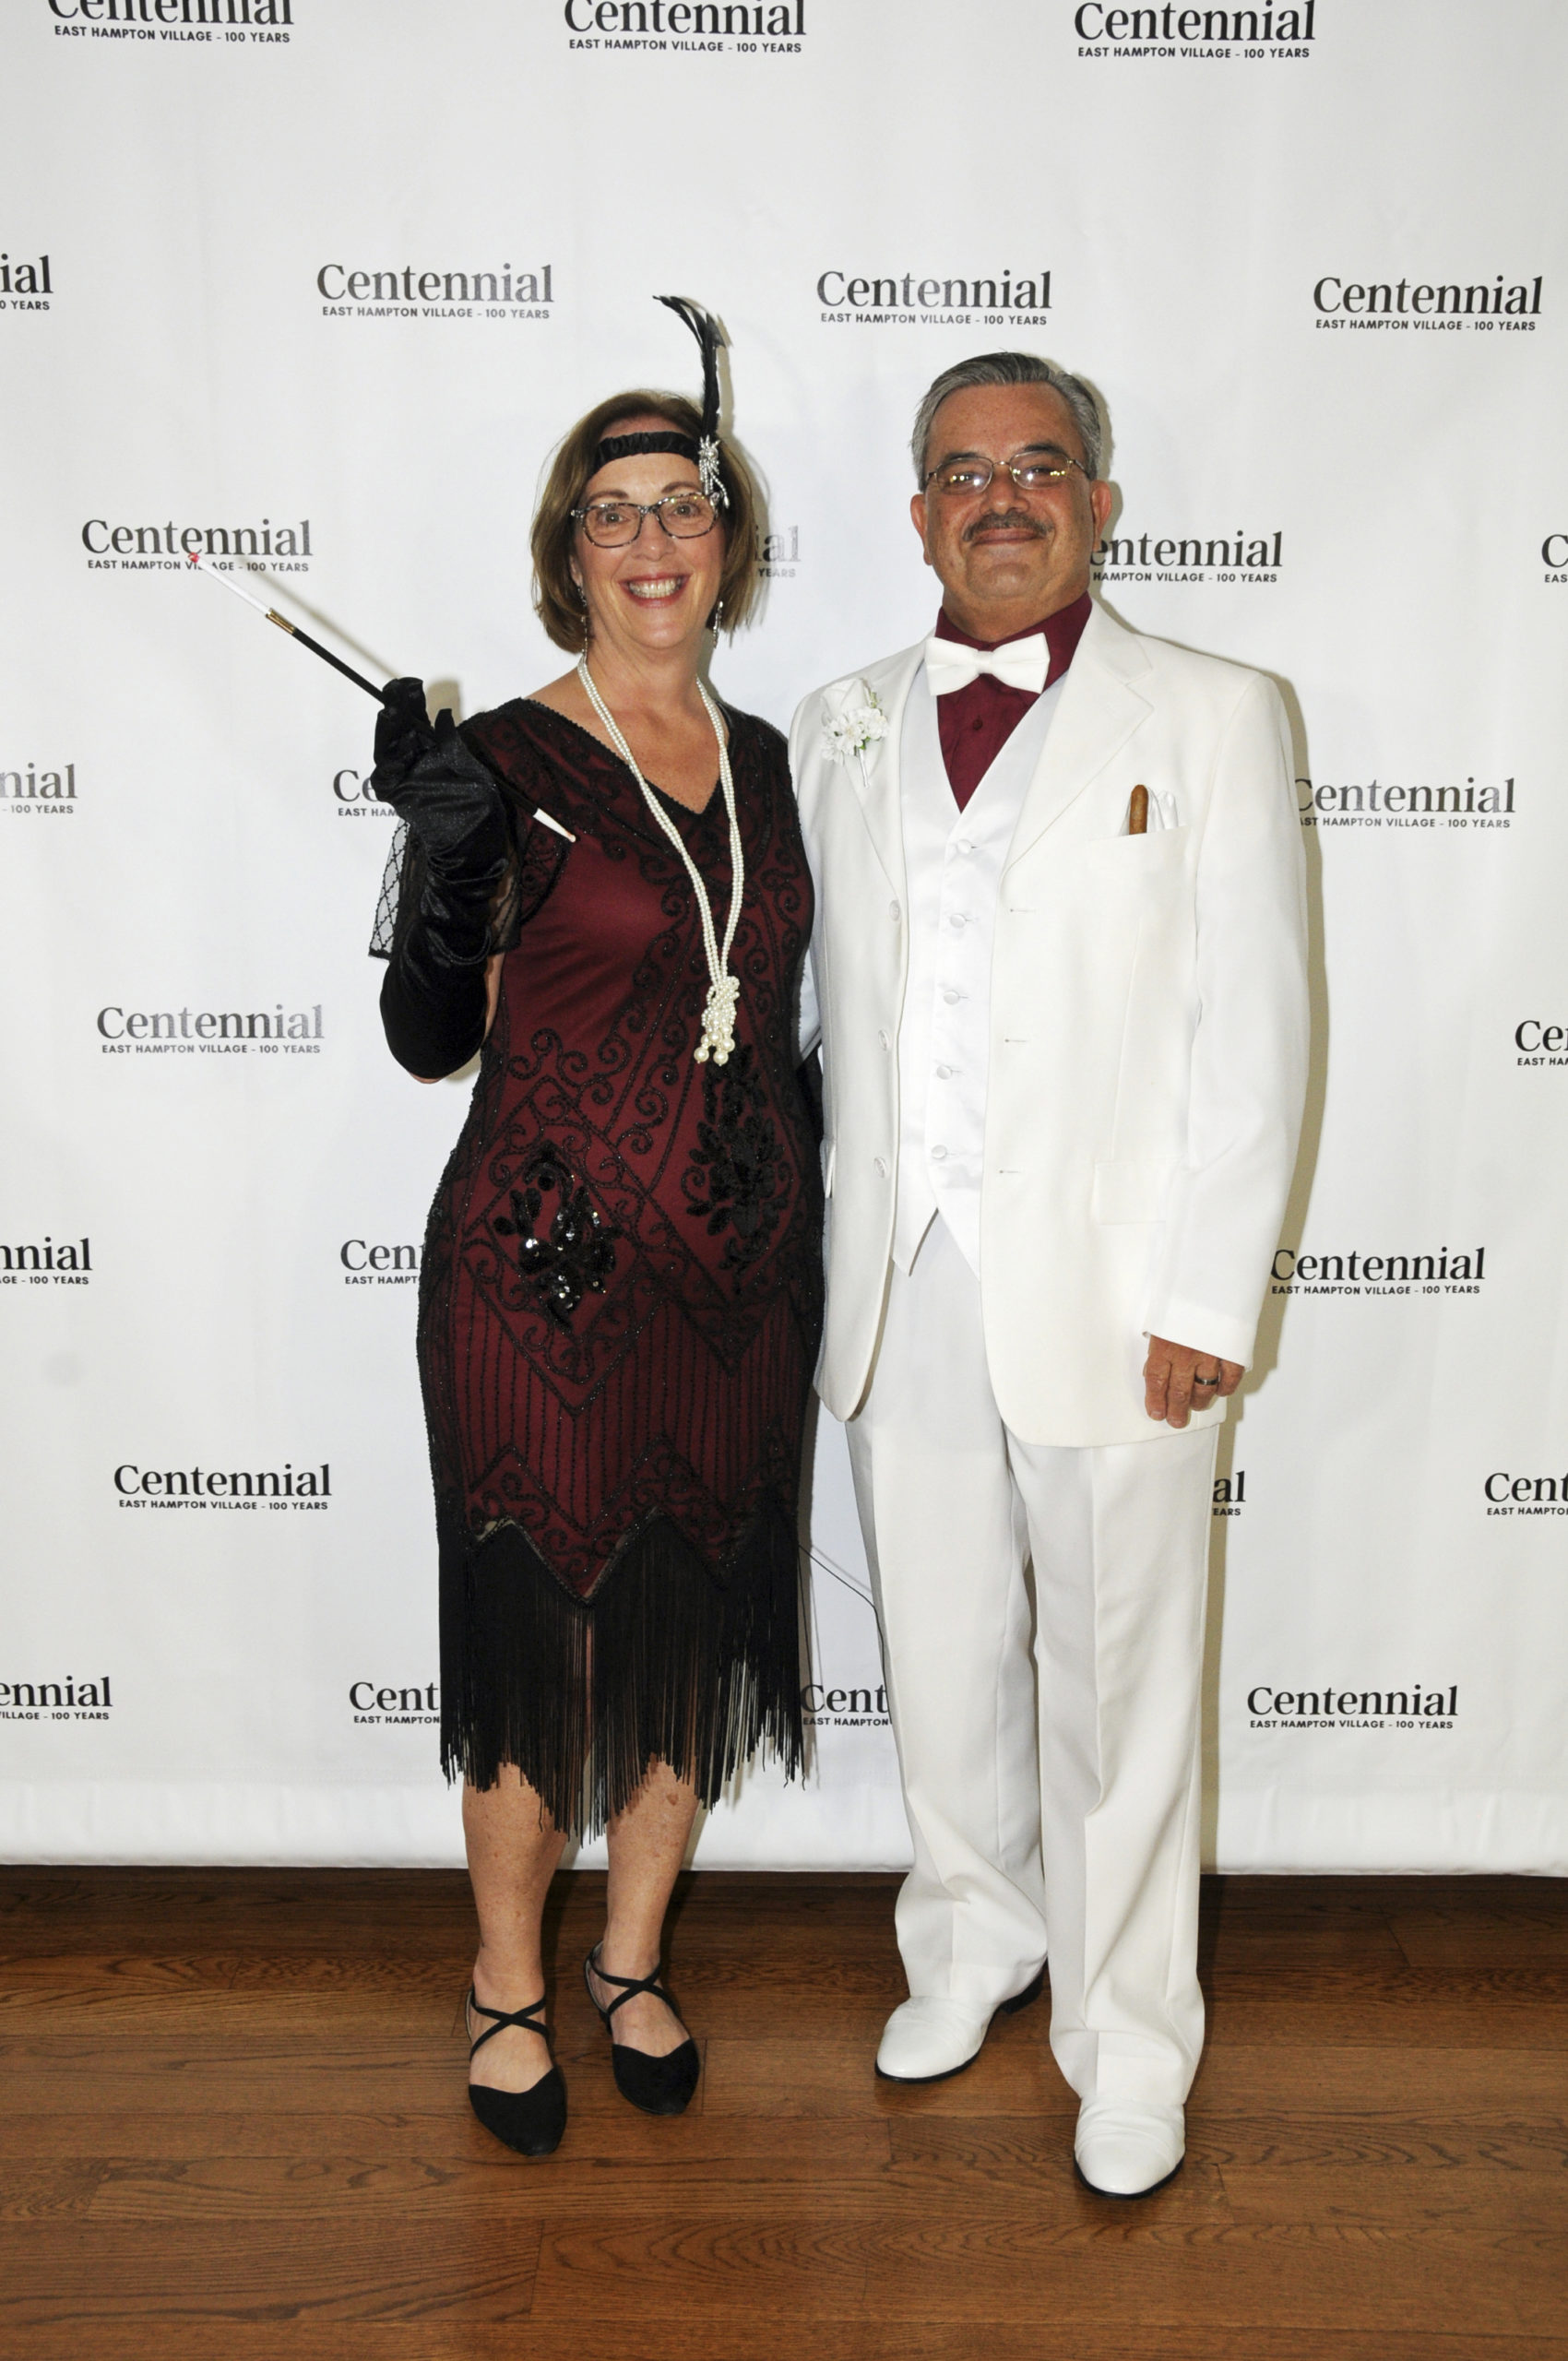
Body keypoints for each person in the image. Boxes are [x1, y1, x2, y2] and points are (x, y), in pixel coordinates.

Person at [790, 352, 1308, 2198]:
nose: (996, 498)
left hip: (1114, 1288)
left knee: (1118, 1676)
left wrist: (1206, 1292)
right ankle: (972, 1936)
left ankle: (1126, 2030)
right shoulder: (834, 721)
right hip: (900, 1267)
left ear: (1098, 499)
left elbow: (1254, 1034)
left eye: (1037, 466)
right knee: (937, 1648)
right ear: (916, 512)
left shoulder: (1217, 711)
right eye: (958, 472)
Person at [368, 303, 823, 2157]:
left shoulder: (785, 759)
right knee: (537, 1641)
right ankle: (502, 1976)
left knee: (687, 1626)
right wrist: (449, 859)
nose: (652, 540)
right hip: (532, 1276)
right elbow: (426, 1042)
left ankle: (629, 1952)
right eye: (613, 511)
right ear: (570, 553)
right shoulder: (505, 758)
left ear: (730, 539)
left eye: (684, 504)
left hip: (736, 1281)